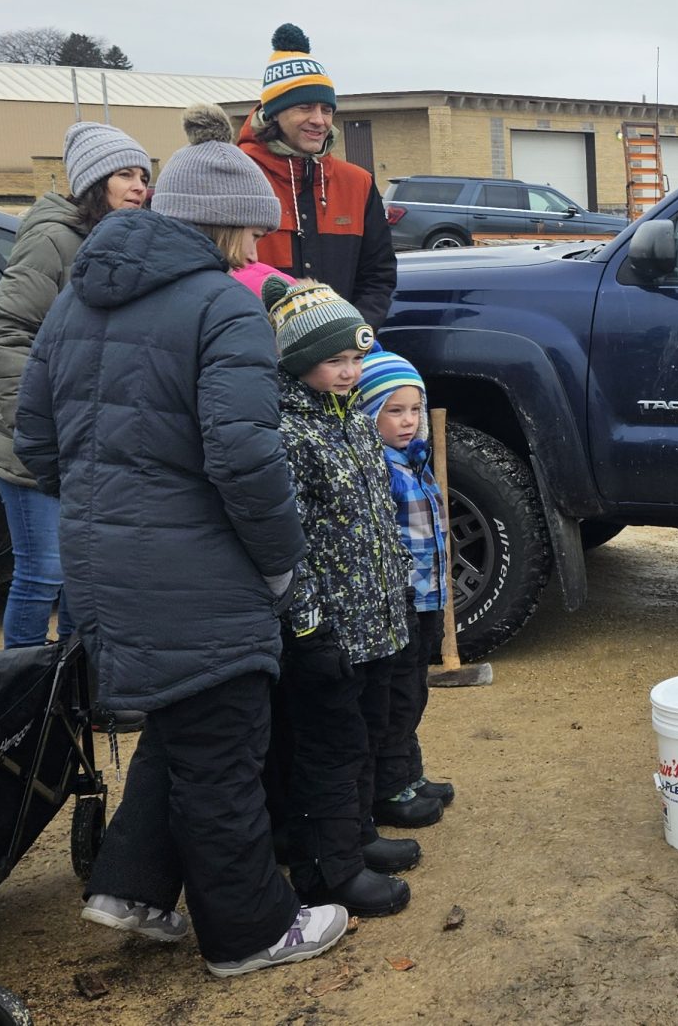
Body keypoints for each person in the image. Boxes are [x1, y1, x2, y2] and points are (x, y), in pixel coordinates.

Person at [16, 102, 347, 977]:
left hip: (101, 564)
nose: (256, 247)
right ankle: (250, 931)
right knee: (225, 749)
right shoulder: (220, 309)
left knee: (183, 719)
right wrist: (281, 564)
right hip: (196, 567)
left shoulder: (76, 299)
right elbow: (245, 458)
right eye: (253, 229)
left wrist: (104, 507)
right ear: (227, 223)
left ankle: (131, 886)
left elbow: (35, 441)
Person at [262, 275, 417, 917]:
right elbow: (286, 541)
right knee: (328, 746)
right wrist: (307, 624)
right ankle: (328, 868)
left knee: (366, 732)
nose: (351, 370)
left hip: (375, 619)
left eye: (356, 358)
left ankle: (356, 837)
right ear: (299, 363)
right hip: (327, 629)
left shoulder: (353, 420)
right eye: (336, 361)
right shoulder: (290, 435)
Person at [0, 121, 149, 650]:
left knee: (85, 575)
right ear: (93, 183)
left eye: (145, 174)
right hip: (36, 444)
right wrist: (30, 416)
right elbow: (5, 325)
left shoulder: (125, 240)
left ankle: (80, 691)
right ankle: (22, 697)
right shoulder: (53, 238)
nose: (140, 186)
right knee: (43, 574)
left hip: (92, 442)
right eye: (125, 174)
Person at [355, 349, 457, 829]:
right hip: (400, 602)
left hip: (427, 599)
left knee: (414, 690)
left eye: (415, 409)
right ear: (368, 412)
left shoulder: (416, 462)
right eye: (393, 411)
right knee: (396, 695)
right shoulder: (379, 469)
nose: (409, 421)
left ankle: (409, 774)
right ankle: (390, 787)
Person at [238, 23, 396, 328]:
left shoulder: (357, 183)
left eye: (327, 109)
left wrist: (350, 335)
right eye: (305, 107)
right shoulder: (238, 174)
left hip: (341, 359)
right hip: (258, 353)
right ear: (272, 113)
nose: (319, 120)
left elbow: (378, 275)